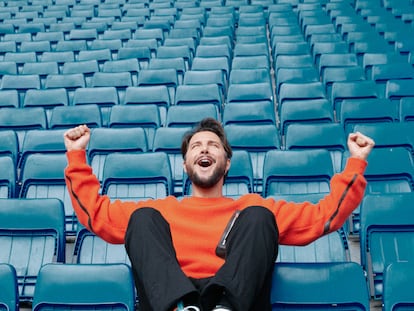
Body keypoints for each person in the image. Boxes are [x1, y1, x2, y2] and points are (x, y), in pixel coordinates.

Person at [63, 118, 375, 311]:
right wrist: (76, 156)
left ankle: (225, 308)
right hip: (169, 301)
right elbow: (96, 214)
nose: (204, 149)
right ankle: (181, 307)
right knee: (142, 218)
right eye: (196, 146)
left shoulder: (254, 211)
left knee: (257, 214)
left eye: (213, 145)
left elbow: (324, 216)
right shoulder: (161, 211)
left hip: (237, 302)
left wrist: (356, 162)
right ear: (186, 165)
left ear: (226, 164)